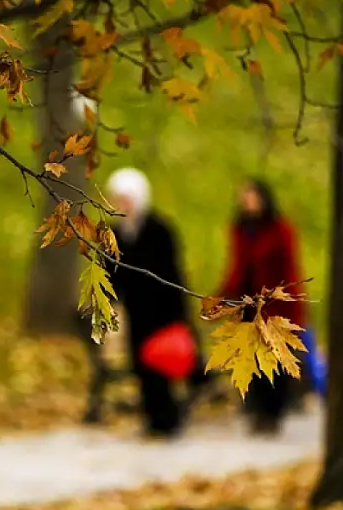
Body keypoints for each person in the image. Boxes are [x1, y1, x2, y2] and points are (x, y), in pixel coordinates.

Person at [104, 167, 211, 439]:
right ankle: (153, 417)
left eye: (126, 199)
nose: (121, 204)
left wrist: (178, 314)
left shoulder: (160, 229)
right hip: (135, 311)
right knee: (141, 365)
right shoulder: (113, 234)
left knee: (162, 364)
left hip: (163, 310)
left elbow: (172, 272)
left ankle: (168, 418)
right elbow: (110, 274)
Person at [216, 178, 311, 435]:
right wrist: (222, 297)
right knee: (251, 358)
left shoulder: (280, 230)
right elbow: (236, 267)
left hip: (277, 306)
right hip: (248, 306)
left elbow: (288, 270)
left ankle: (273, 413)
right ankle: (257, 410)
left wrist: (292, 304)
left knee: (276, 361)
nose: (246, 201)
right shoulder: (240, 230)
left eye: (251, 196)